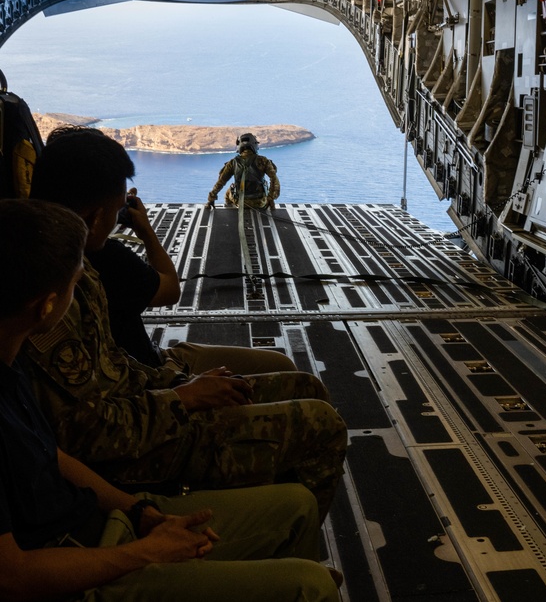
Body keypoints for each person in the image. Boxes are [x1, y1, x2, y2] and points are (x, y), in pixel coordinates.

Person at [0, 198, 341, 602]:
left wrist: (140, 511)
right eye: (75, 283)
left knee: (298, 504)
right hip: (75, 565)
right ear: (47, 306)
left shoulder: (9, 360)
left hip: (105, 524)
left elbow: (53, 455)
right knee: (311, 587)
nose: (84, 287)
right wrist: (142, 552)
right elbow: (13, 577)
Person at [24, 126, 347, 516]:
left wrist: (180, 384)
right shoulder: (51, 294)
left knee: (306, 386)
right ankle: (282, 529)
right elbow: (82, 434)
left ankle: (277, 523)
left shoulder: (80, 271)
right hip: (137, 453)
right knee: (321, 425)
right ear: (94, 218)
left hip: (153, 406)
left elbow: (119, 366)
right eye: (113, 213)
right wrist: (182, 398)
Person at [87, 185, 297, 374]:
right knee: (284, 367)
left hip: (134, 367)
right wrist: (146, 231)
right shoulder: (107, 257)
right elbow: (170, 290)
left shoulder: (62, 255)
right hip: (152, 373)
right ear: (98, 216)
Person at [206, 132, 280, 209]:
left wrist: (211, 198)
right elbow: (274, 180)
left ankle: (231, 210)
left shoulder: (233, 163)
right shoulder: (263, 161)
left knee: (228, 192)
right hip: (260, 202)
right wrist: (270, 198)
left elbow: (221, 182)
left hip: (239, 201)